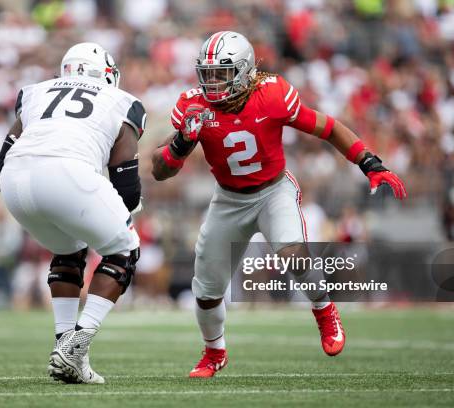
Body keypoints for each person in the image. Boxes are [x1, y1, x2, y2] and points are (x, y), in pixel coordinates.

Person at [151, 31, 407, 378]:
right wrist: (181, 144)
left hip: (273, 191)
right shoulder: (194, 106)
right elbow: (160, 170)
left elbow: (328, 128)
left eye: (221, 73)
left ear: (242, 72)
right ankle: (214, 353)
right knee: (207, 291)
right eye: (207, 73)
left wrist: (369, 162)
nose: (212, 82)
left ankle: (324, 308)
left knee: (293, 255)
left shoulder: (272, 96)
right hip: (228, 199)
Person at [0, 42, 145, 384]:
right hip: (68, 173)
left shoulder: (36, 92)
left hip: (14, 180)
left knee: (68, 249)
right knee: (124, 249)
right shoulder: (121, 101)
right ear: (107, 73)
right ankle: (75, 346)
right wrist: (120, 215)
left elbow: (4, 154)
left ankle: (66, 349)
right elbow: (127, 186)